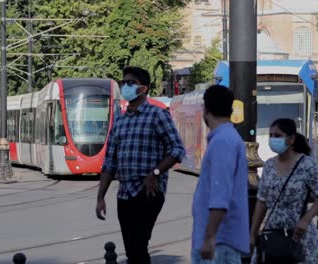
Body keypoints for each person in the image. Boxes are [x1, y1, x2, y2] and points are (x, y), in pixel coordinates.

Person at [95, 66, 185, 264]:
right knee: (133, 248)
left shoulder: (158, 115)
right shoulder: (119, 120)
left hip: (148, 191)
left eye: (130, 83)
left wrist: (155, 172)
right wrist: (101, 196)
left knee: (138, 245)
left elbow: (177, 150)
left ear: (143, 88)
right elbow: (110, 161)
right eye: (123, 83)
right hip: (124, 193)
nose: (125, 86)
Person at [250, 118, 318, 264]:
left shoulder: (306, 164)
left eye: (278, 136)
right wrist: (253, 233)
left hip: (300, 235)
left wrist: (306, 219)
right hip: (273, 233)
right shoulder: (268, 166)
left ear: (291, 139)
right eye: (271, 135)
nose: (273, 139)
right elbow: (261, 202)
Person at [191, 85, 249, 263]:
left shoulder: (222, 142)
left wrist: (209, 237)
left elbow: (220, 195)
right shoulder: (228, 138)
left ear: (206, 109)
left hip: (219, 243)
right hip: (222, 240)